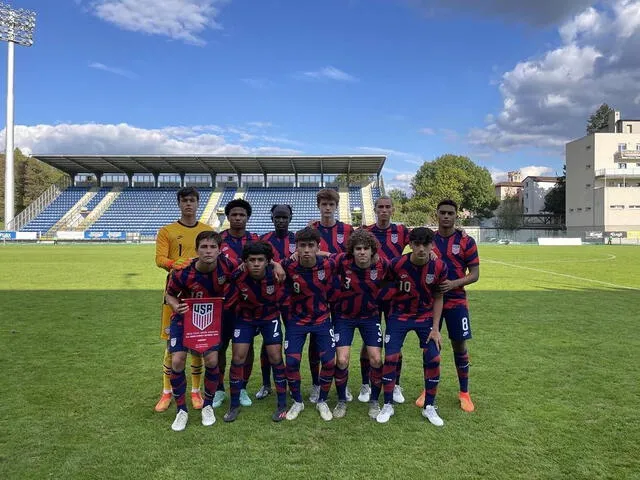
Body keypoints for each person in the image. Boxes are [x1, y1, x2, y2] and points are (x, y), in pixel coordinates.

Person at [164, 230, 237, 431]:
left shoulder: (228, 266)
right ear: (196, 250)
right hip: (184, 318)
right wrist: (174, 305)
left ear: (220, 250)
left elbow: (247, 269)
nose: (208, 251)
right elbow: (169, 294)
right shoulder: (183, 271)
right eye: (204, 247)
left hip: (211, 320)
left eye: (213, 247)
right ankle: (181, 410)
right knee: (178, 360)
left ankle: (207, 406)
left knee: (212, 360)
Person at [375, 227, 448, 427]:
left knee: (433, 357)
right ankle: (388, 404)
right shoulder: (396, 264)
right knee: (391, 357)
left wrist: (435, 328)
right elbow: (383, 287)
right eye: (417, 244)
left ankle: (430, 407)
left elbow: (439, 297)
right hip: (398, 317)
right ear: (410, 245)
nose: (422, 249)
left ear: (432, 246)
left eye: (426, 244)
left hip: (425, 318)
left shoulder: (439, 267)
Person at [415, 199, 479, 412]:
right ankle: (428, 389)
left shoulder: (466, 241)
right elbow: (411, 243)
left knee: (459, 345)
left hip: (457, 301)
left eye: (450, 213)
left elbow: (475, 274)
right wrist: (426, 249)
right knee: (430, 344)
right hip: (431, 301)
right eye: (442, 212)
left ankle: (464, 393)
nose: (446, 216)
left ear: (456, 215)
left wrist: (454, 283)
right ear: (437, 214)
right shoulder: (428, 239)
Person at [154, 187, 213, 413]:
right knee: (171, 346)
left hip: (200, 296)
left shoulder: (207, 230)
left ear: (198, 203)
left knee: (198, 344)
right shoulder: (167, 231)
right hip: (174, 294)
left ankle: (195, 391)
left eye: (192, 200)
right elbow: (159, 259)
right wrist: (174, 264)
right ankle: (166, 392)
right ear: (179, 203)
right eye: (184, 200)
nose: (189, 204)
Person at [223, 241, 289, 422]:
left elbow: (295, 258)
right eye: (252, 260)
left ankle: (282, 404)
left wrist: (278, 264)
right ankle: (234, 405)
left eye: (261, 260)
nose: (256, 263)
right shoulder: (237, 275)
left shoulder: (276, 273)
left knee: (276, 357)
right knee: (238, 357)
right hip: (245, 319)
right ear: (245, 261)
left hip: (270, 318)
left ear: (268, 261)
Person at [331, 229, 390, 419]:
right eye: (358, 248)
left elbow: (403, 268)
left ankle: (374, 400)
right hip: (344, 317)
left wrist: (432, 254)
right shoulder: (342, 261)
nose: (362, 252)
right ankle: (341, 400)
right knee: (341, 359)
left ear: (373, 250)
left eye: (366, 248)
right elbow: (322, 256)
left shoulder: (383, 266)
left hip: (370, 318)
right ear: (352, 250)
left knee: (376, 359)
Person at [280, 227, 337, 421]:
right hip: (297, 321)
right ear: (296, 247)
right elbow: (270, 264)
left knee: (329, 361)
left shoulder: (328, 264)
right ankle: (297, 401)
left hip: (322, 319)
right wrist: (275, 264)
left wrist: (326, 253)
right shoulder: (288, 265)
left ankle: (322, 400)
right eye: (302, 246)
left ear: (317, 247)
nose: (305, 250)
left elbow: (347, 257)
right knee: (292, 362)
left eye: (310, 246)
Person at [361, 195, 411, 404]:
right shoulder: (366, 232)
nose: (383, 210)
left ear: (393, 210)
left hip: (394, 294)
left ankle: (396, 385)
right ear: (375, 209)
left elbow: (425, 240)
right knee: (368, 342)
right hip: (372, 293)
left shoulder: (401, 231)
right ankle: (365, 385)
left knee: (394, 343)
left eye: (387, 207)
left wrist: (433, 252)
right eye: (380, 207)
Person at [308, 188, 354, 403]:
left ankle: (343, 383)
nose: (327, 208)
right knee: (317, 340)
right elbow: (304, 253)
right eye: (323, 204)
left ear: (336, 206)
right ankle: (316, 384)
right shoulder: (311, 229)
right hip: (317, 294)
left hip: (343, 293)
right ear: (318, 206)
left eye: (331, 204)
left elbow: (353, 256)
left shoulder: (347, 229)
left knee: (342, 340)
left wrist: (326, 255)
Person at [214, 199, 260, 408]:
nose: (238, 218)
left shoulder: (255, 241)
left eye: (242, 215)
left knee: (245, 348)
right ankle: (219, 389)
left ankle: (242, 387)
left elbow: (267, 265)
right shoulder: (218, 240)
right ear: (228, 217)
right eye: (234, 215)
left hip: (248, 306)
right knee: (219, 348)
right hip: (222, 306)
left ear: (247, 218)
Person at [256, 204, 296, 400]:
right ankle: (265, 384)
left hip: (293, 299)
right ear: (272, 218)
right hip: (268, 298)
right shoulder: (264, 240)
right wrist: (275, 263)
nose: (281, 220)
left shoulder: (298, 240)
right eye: (278, 217)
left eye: (285, 217)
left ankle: (289, 381)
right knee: (269, 342)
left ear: (290, 218)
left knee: (291, 341)